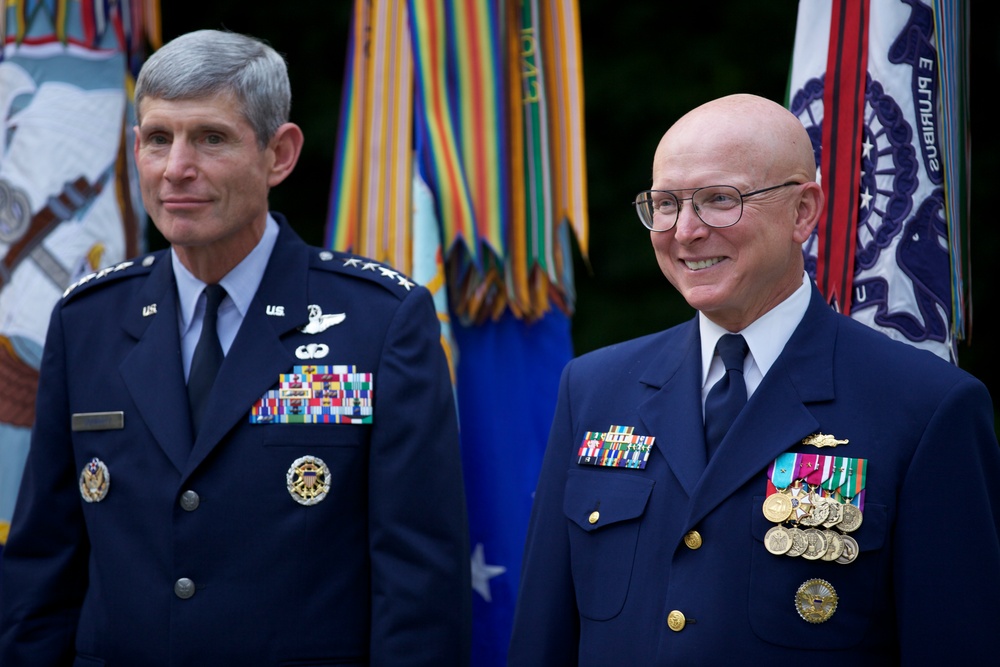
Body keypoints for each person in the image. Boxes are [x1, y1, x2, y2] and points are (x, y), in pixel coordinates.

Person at [0, 29, 471, 666]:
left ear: (280, 154)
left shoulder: (380, 322)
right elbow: (41, 573)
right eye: (158, 139)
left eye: (211, 138)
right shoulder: (87, 321)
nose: (176, 168)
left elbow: (420, 588)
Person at [507, 93, 1000, 664]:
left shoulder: (926, 408)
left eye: (720, 199)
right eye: (665, 204)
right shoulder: (593, 388)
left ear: (803, 212)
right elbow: (542, 640)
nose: (685, 231)